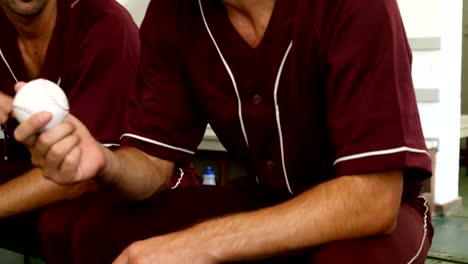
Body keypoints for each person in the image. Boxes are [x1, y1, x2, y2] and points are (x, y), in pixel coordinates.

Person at [15, 0, 433, 263]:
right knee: (93, 233)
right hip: (265, 196)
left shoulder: (355, 6)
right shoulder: (173, 12)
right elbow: (152, 162)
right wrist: (104, 163)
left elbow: (374, 200)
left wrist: (201, 244)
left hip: (381, 211)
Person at [0, 0, 200, 260]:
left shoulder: (103, 22)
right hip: (50, 174)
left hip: (144, 185)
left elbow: (82, 175)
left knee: (67, 225)